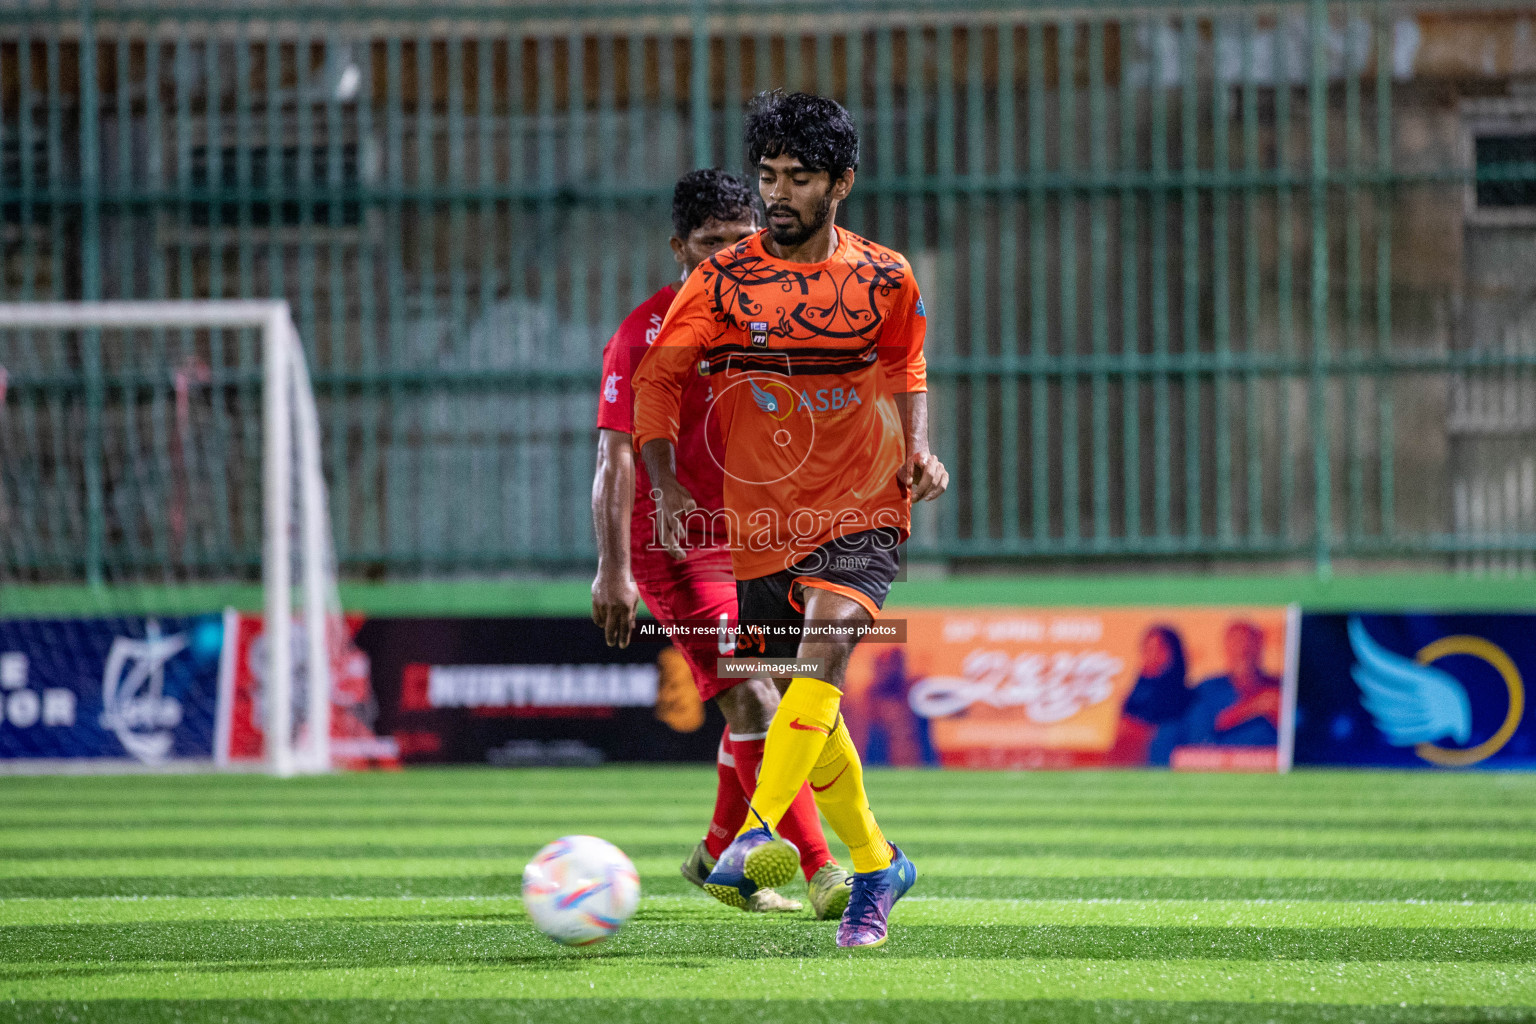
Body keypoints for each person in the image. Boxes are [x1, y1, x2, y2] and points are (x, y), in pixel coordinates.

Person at [632, 92, 949, 949]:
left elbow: (908, 362)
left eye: (798, 179)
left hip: (863, 503)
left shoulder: (886, 276)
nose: (777, 194)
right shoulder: (721, 281)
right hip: (761, 519)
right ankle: (879, 865)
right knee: (819, 710)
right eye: (767, 175)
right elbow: (659, 384)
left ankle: (757, 834)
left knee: (828, 644)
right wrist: (663, 487)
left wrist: (919, 451)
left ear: (839, 184)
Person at [590, 168, 849, 919]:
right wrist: (612, 569)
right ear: (679, 248)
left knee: (774, 701)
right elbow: (617, 457)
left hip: (754, 540)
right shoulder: (642, 334)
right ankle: (824, 868)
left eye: (746, 241)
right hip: (671, 543)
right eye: (713, 245)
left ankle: (714, 856)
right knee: (756, 696)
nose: (733, 256)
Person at [1183, 620, 1282, 746]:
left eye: (1249, 641)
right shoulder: (1207, 688)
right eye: (1236, 642)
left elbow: (1297, 728)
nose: (1243, 649)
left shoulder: (1279, 685)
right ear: (1225, 648)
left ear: (1260, 646)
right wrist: (1256, 706)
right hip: (1221, 760)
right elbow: (1199, 733)